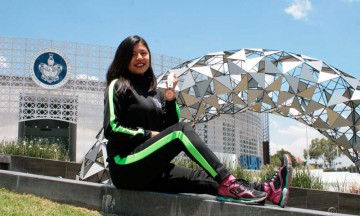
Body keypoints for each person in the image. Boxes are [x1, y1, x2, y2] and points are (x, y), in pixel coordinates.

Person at [103, 35, 292, 206]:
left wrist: (169, 99)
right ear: (124, 58)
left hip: (152, 168)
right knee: (182, 131)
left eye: (143, 53)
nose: (139, 58)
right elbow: (111, 129)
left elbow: (169, 129)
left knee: (204, 178)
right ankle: (230, 182)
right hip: (125, 166)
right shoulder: (119, 86)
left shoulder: (157, 94)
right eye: (133, 54)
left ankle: (268, 191)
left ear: (149, 57)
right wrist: (148, 134)